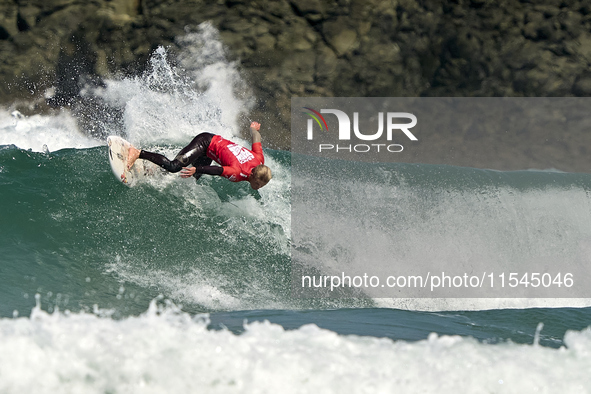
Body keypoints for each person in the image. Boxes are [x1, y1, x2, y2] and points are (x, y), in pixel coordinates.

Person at [126, 121, 272, 190]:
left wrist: (253, 129)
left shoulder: (259, 160)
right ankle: (138, 153)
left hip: (211, 153)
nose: (259, 187)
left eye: (262, 185)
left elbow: (256, 139)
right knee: (174, 166)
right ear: (252, 174)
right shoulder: (237, 172)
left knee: (191, 179)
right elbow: (218, 171)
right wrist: (198, 169)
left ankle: (151, 170)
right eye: (258, 183)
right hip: (205, 142)